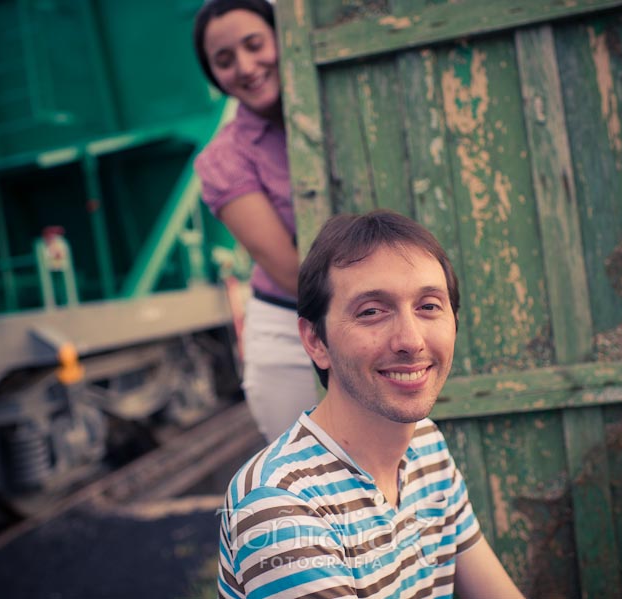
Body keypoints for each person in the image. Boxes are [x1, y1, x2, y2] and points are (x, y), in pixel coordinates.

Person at [217, 210, 524, 598]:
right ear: (315, 341)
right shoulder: (280, 509)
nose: (410, 340)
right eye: (372, 312)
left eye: (428, 306)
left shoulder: (425, 445)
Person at [193, 0, 319, 441]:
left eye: (254, 45)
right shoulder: (223, 160)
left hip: (389, 318)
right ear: (214, 76)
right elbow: (292, 274)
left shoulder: (345, 104)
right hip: (291, 331)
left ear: (283, 38)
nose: (245, 67)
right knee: (308, 483)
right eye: (224, 61)